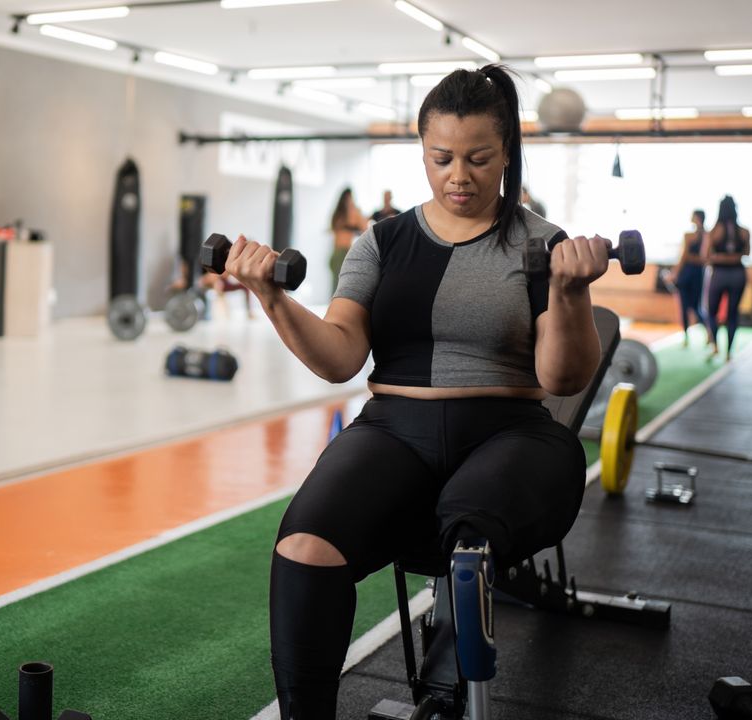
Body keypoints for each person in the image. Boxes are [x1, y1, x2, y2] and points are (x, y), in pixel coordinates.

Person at [217, 66, 609, 719]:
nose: (460, 174)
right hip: (395, 431)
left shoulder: (542, 245)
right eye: (442, 157)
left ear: (507, 151)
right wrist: (271, 297)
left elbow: (564, 379)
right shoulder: (383, 242)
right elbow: (339, 358)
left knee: (469, 539)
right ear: (423, 152)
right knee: (303, 545)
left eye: (480, 158)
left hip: (509, 433)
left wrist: (570, 294)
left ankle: (445, 699)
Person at [704, 195, 750, 361]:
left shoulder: (715, 231)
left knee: (711, 311)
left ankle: (715, 345)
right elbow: (746, 254)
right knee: (732, 314)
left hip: (719, 274)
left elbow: (706, 255)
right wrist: (733, 257)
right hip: (738, 273)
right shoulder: (744, 232)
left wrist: (720, 258)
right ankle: (728, 352)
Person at [671, 209, 713, 348]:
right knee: (695, 307)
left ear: (697, 218)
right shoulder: (706, 235)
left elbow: (684, 257)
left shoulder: (691, 236)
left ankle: (690, 337)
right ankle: (706, 334)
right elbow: (703, 258)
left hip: (689, 272)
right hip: (698, 272)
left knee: (689, 307)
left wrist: (674, 273)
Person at [329, 188, 367, 293]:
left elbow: (364, 228)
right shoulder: (340, 214)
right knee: (336, 285)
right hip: (337, 253)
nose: (349, 200)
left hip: (346, 252)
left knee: (342, 285)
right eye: (347, 198)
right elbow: (334, 227)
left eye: (350, 198)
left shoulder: (354, 212)